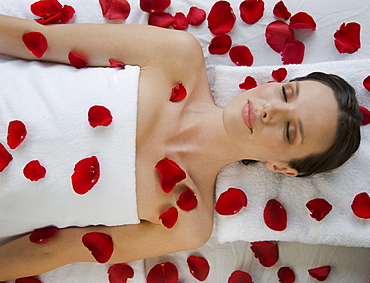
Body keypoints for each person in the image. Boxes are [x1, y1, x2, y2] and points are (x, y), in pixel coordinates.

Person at [0, 14, 361, 280]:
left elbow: (53, 248)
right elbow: (35, 38)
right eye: (286, 93)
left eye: (289, 131)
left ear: (282, 167)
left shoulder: (188, 224)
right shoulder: (177, 55)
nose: (270, 109)